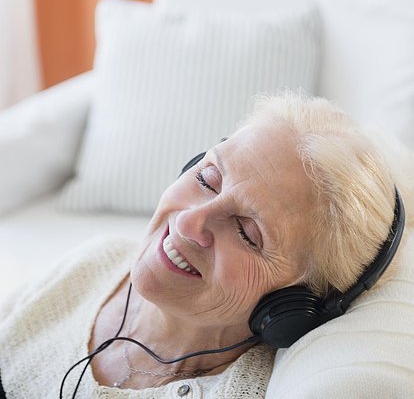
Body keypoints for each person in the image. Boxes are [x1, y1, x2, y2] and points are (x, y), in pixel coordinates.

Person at [0, 92, 406, 398]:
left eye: (248, 232)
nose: (190, 221)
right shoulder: (97, 259)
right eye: (207, 179)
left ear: (292, 307)